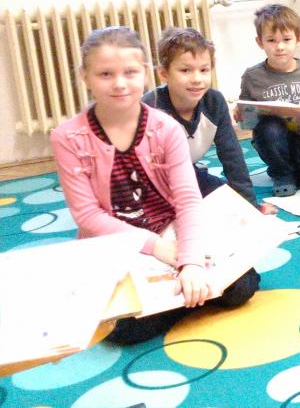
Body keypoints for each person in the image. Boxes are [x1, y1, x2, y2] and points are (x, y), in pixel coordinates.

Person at [50, 26, 259, 345]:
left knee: (243, 286)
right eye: (105, 74)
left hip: (172, 231)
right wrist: (154, 246)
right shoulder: (67, 137)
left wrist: (190, 262)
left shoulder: (165, 127)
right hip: (118, 240)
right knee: (120, 330)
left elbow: (187, 199)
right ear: (85, 76)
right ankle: (185, 298)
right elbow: (88, 215)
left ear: (145, 74)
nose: (120, 83)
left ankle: (178, 296)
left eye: (130, 72)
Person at [142, 27, 266, 210]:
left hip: (188, 173)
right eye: (185, 70)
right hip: (152, 181)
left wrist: (249, 205)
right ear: (164, 74)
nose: (197, 79)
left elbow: (231, 155)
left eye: (204, 70)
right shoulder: (150, 107)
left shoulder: (214, 102)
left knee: (229, 200)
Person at [238, 4, 300, 197]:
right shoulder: (252, 76)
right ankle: (282, 172)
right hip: (272, 139)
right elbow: (246, 113)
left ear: (299, 39)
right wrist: (240, 114)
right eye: (271, 40)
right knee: (271, 128)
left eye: (286, 39)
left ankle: (298, 166)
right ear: (260, 42)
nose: (280, 47)